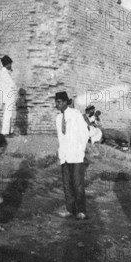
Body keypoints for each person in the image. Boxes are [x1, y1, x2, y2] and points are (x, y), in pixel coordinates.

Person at [55, 91, 90, 220]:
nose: (57, 105)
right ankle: (70, 209)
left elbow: (85, 133)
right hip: (64, 155)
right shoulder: (58, 118)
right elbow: (61, 138)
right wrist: (61, 153)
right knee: (66, 184)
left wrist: (80, 150)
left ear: (65, 102)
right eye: (56, 102)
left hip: (76, 156)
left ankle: (81, 211)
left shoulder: (75, 114)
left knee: (77, 183)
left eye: (59, 102)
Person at [0, 55, 17, 136]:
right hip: (8, 96)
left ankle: (9, 131)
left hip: (9, 96)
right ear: (7, 64)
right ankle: (5, 132)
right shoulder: (4, 72)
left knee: (9, 114)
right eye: (10, 64)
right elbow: (11, 84)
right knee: (7, 114)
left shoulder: (6, 72)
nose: (11, 66)